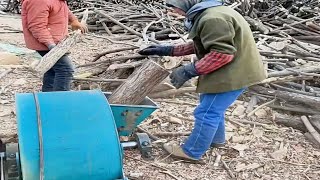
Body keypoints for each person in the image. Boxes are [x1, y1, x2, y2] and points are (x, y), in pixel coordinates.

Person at [139, 0, 267, 161]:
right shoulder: (210, 13)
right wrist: (168, 50)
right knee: (211, 106)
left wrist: (188, 71)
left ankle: (192, 152)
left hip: (234, 73)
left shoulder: (212, 19)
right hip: (234, 69)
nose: (174, 12)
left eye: (175, 7)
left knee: (207, 112)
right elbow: (203, 44)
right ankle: (216, 139)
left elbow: (222, 54)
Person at [21, 0, 88, 92]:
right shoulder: (39, 1)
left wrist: (73, 20)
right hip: (44, 42)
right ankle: (59, 102)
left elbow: (63, 8)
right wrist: (51, 45)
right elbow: (37, 26)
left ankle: (47, 99)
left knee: (52, 69)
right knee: (65, 70)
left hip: (54, 41)